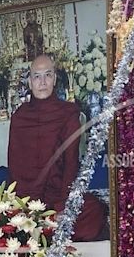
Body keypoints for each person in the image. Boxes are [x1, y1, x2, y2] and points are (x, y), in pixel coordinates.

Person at [7, 54, 108, 241]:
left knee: (93, 211)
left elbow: (71, 162)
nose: (42, 82)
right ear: (29, 82)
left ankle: (44, 225)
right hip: (25, 199)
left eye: (47, 75)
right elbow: (14, 164)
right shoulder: (20, 117)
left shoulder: (68, 113)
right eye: (37, 76)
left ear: (54, 79)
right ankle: (40, 224)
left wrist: (63, 204)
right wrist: (18, 204)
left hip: (56, 197)